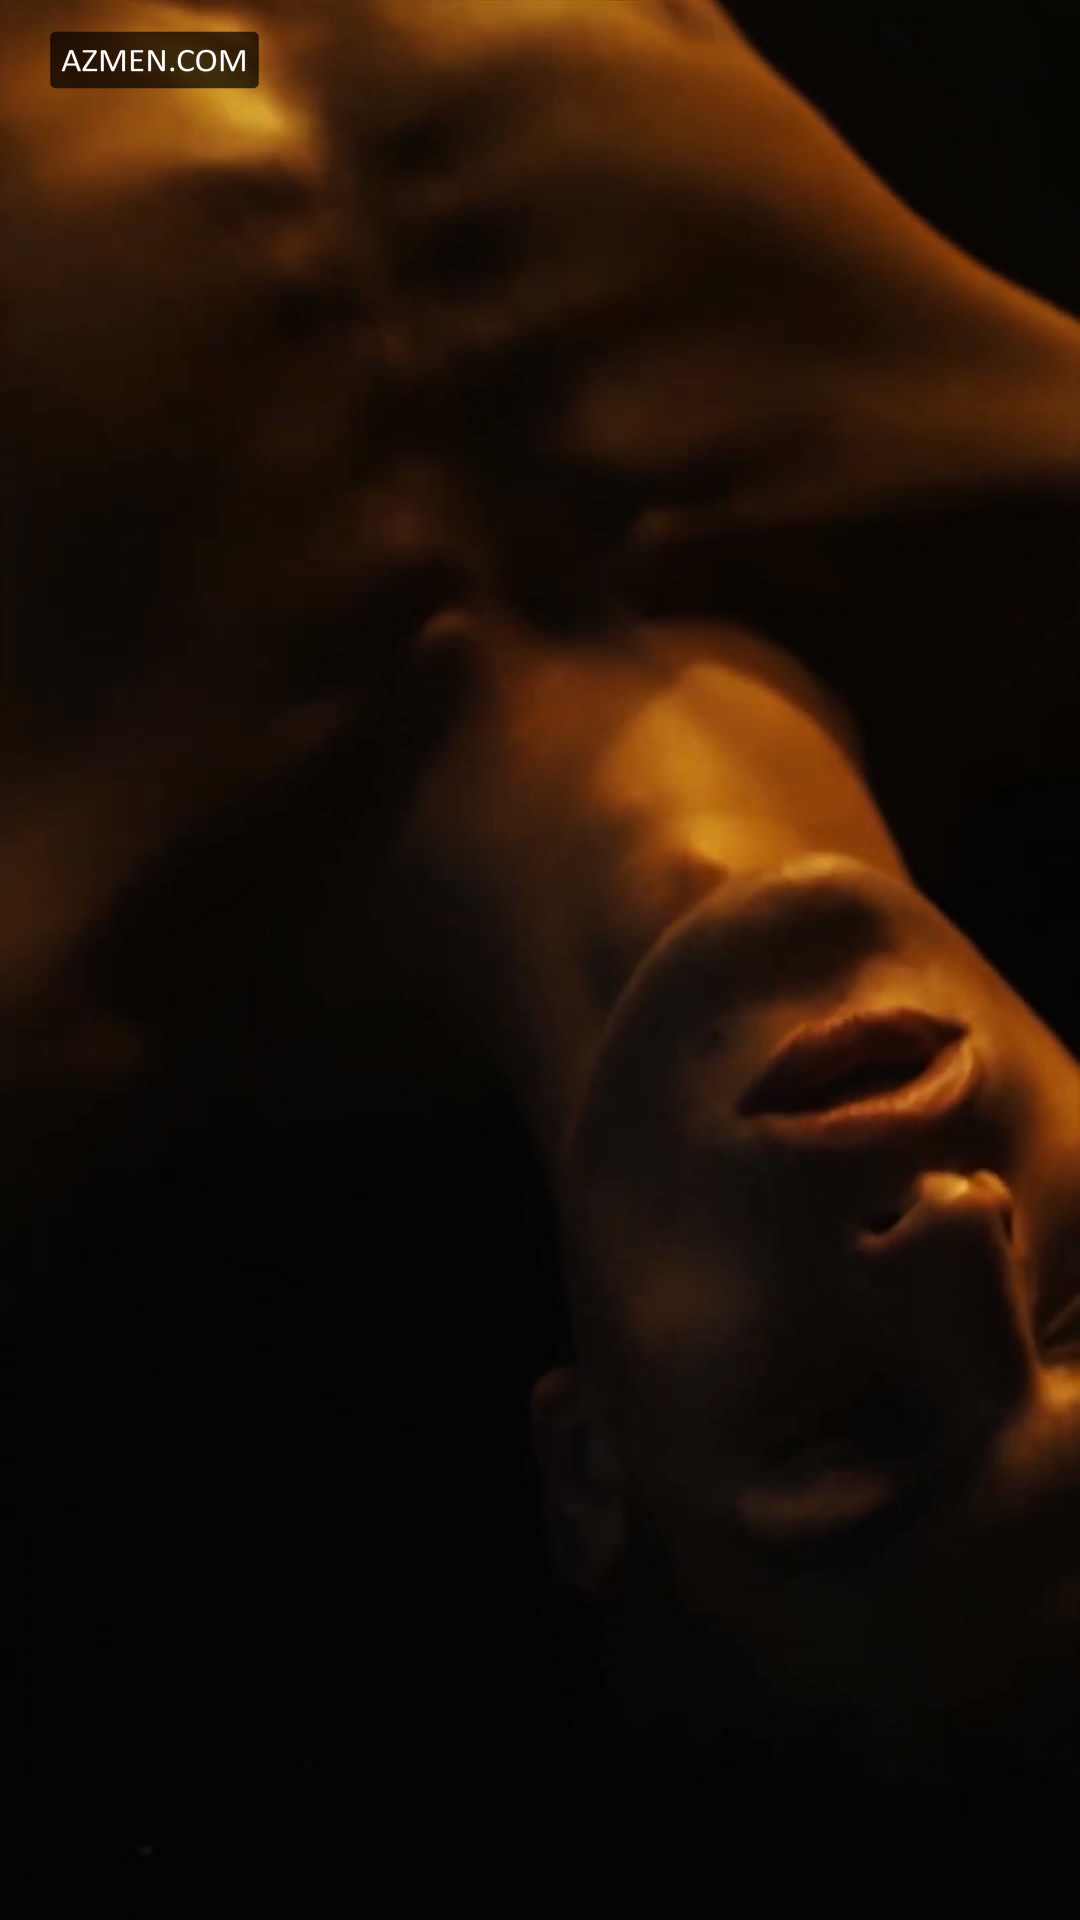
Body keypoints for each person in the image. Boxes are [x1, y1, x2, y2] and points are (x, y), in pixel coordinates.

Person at [6, 0, 1080, 1808]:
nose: (959, 1239)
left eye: (856, 1435)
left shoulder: (68, 913)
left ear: (594, 1465)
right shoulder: (1021, 484)